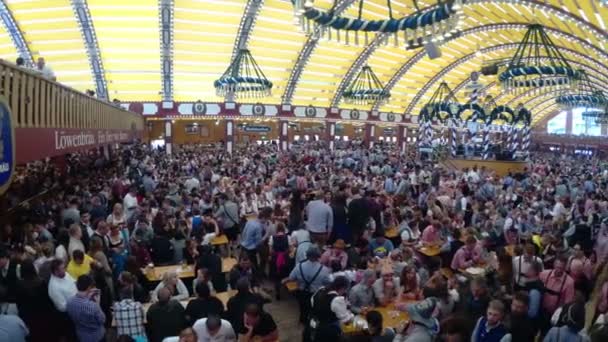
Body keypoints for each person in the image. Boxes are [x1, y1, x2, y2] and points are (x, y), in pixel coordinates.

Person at [283, 245, 330, 323]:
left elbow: (291, 278)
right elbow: (328, 282)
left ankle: (303, 320)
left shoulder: (299, 266)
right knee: (314, 309)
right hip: (316, 294)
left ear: (307, 255)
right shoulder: (324, 269)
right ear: (318, 256)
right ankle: (312, 322)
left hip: (302, 292)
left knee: (302, 307)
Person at [308, 276, 354, 341]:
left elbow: (312, 301)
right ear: (342, 288)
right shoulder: (337, 300)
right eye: (345, 290)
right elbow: (345, 319)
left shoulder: (321, 289)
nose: (344, 292)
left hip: (314, 322)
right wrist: (351, 315)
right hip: (328, 328)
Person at [66, 274, 106, 342]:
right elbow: (102, 320)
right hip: (96, 336)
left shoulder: (69, 302)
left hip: (81, 335)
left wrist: (88, 298)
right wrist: (97, 303)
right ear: (89, 287)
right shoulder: (93, 306)